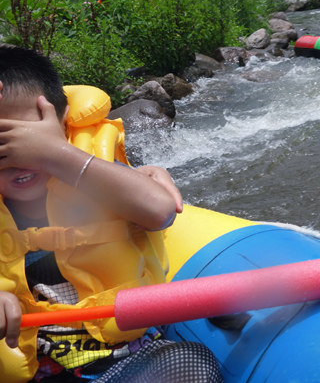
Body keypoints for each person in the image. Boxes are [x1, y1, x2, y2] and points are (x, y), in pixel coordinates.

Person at [0, 45, 222, 383]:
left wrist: (55, 154)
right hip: (36, 372)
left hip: (126, 360)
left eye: (31, 141)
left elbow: (160, 211)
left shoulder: (99, 181)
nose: (18, 159)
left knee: (191, 362)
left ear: (63, 124)